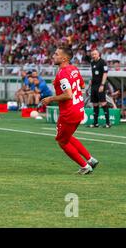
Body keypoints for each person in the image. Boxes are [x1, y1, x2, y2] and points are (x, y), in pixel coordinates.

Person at [41, 47, 99, 175]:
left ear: (64, 58)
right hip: (79, 109)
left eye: (56, 54)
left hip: (69, 112)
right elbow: (82, 85)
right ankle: (90, 160)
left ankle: (85, 166)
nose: (53, 56)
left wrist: (50, 98)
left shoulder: (62, 73)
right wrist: (58, 82)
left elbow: (68, 95)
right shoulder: (73, 69)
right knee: (67, 137)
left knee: (62, 142)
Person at [89, 49, 111, 128]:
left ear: (99, 54)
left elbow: (105, 74)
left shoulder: (103, 62)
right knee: (95, 103)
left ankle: (108, 123)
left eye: (95, 54)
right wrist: (90, 84)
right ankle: (95, 123)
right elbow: (93, 74)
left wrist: (102, 85)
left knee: (103, 103)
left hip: (100, 85)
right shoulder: (92, 62)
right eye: (92, 54)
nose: (93, 56)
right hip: (94, 85)